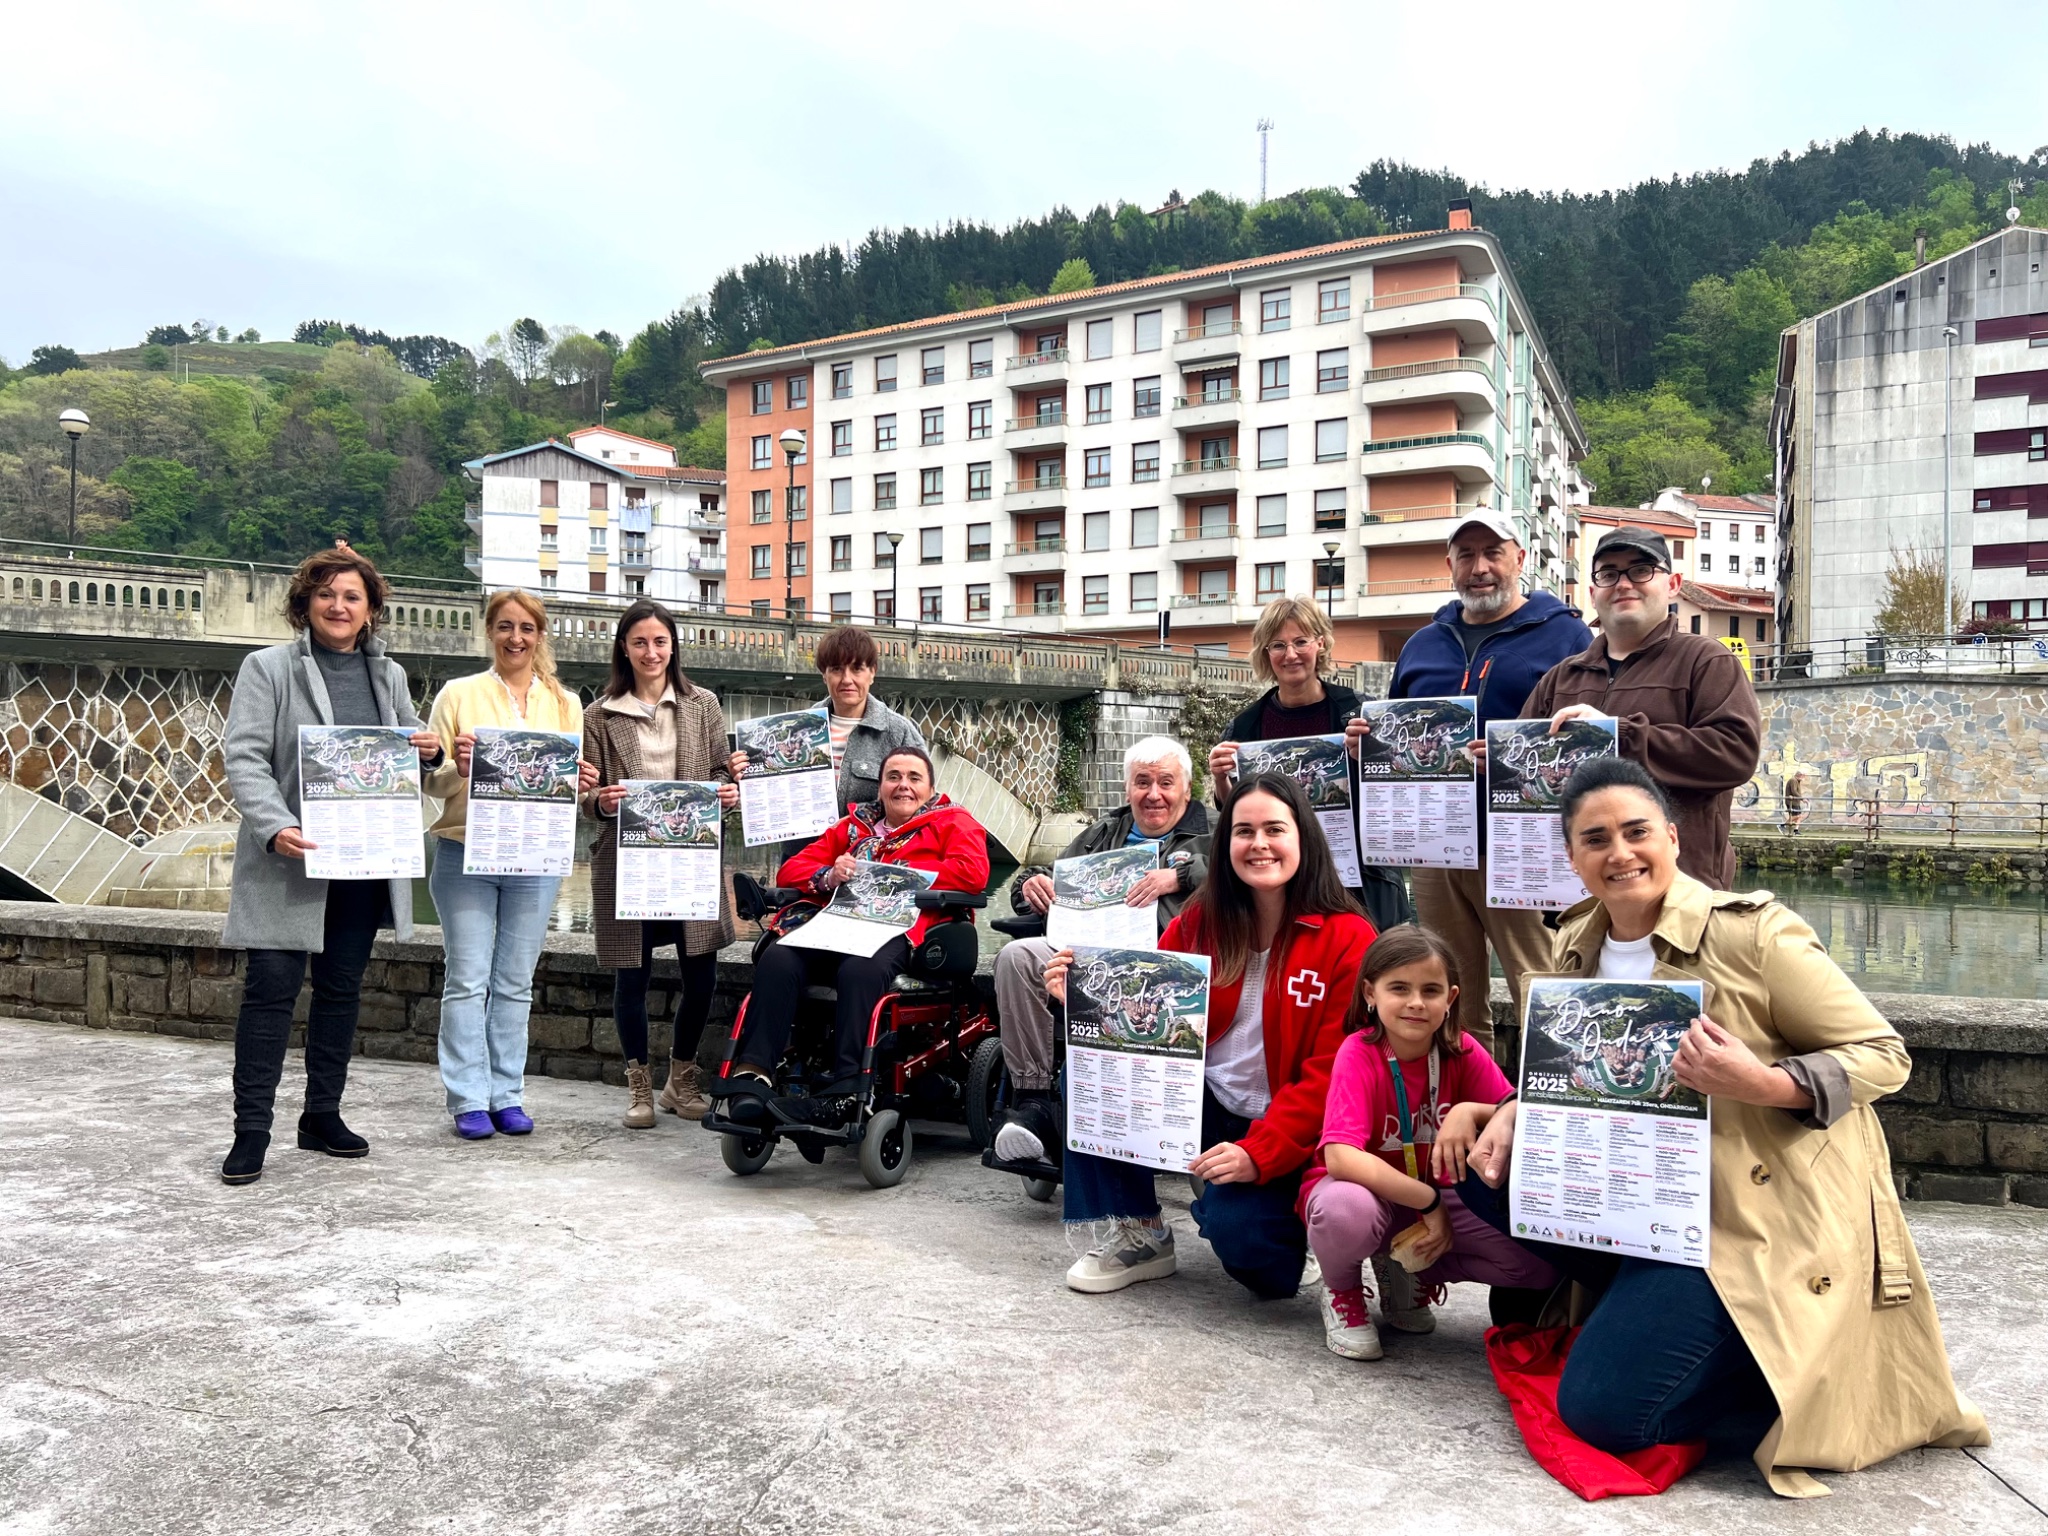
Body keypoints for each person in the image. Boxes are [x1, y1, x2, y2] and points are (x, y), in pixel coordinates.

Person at [1459, 757, 1988, 1497]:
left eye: (1637, 832)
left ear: (1673, 839)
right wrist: (1518, 1107)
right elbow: (1581, 1068)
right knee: (1480, 1170)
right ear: (1571, 858)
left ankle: (1773, 1375)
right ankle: (1651, 1309)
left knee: (1603, 1411)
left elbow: (1884, 1054)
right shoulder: (1574, 938)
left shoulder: (1755, 935)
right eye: (1595, 840)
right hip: (1639, 1197)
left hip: (1739, 1218)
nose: (1620, 853)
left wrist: (1763, 1083)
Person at [1044, 774, 1375, 1299]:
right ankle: (1140, 1229)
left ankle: (1294, 1215)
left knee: (1262, 1268)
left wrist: (1260, 1152)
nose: (1259, 844)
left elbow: (1332, 1078)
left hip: (1290, 1124)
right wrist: (1085, 997)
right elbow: (1146, 1012)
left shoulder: (1349, 937)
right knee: (1093, 1069)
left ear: (1303, 838)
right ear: (1226, 845)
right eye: (1244, 831)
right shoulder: (1201, 918)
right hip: (1205, 1102)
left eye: (1274, 829)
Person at [217, 547, 445, 1186]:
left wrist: (429, 751)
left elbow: (412, 751)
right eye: (326, 594)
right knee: (270, 990)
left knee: (341, 991)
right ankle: (251, 1130)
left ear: (370, 610)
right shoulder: (267, 668)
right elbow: (244, 756)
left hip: (362, 863)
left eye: (352, 596)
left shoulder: (389, 676)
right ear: (305, 602)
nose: (338, 606)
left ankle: (322, 1115)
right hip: (289, 861)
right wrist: (275, 826)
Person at [1353, 512, 1591, 1049]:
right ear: (1450, 565)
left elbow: (1585, 737)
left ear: (1519, 559)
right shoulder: (1421, 643)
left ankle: (1545, 1095)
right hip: (1435, 846)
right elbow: (1396, 736)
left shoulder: (1567, 634)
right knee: (1449, 994)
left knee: (1542, 987)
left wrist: (1508, 759)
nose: (1480, 567)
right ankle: (1466, 1094)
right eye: (1466, 555)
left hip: (1522, 845)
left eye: (1492, 553)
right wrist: (1368, 744)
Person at [1301, 925, 1558, 1362]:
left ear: (1451, 998)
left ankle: (1412, 1269)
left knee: (1539, 1262)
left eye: (1431, 990)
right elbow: (1340, 1158)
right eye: (1399, 988)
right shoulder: (1359, 1052)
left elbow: (1520, 1107)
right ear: (1370, 993)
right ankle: (1343, 1291)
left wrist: (1472, 1111)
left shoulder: (1462, 1050)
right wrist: (1429, 1202)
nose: (1416, 1002)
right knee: (1344, 1211)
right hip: (1375, 1195)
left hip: (1440, 1197)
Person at [723, 745, 989, 1129]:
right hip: (837, 924)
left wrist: (892, 872)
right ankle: (754, 1073)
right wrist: (829, 874)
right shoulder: (853, 827)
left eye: (914, 778)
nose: (903, 785)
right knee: (779, 956)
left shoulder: (954, 822)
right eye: (893, 777)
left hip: (900, 927)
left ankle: (847, 1089)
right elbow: (792, 870)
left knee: (860, 968)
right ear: (880, 787)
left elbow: (972, 874)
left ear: (931, 789)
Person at [424, 590, 598, 1140]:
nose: (515, 638)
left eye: (526, 628)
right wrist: (456, 767)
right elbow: (431, 783)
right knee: (467, 979)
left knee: (516, 982)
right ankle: (467, 1098)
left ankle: (507, 1094)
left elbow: (563, 790)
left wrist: (580, 783)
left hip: (534, 855)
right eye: (504, 627)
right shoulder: (458, 694)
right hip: (465, 849)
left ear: (540, 635)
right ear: (490, 632)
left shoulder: (566, 703)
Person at [990, 736, 1211, 1163]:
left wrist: (1182, 877)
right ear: (1127, 789)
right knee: (1017, 958)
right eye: (1142, 782)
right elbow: (1047, 876)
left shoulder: (1214, 832)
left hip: (1168, 960)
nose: (1153, 794)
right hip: (1089, 955)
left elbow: (1247, 874)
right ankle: (1034, 1103)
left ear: (1187, 789)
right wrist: (1031, 884)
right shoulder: (1102, 833)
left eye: (1166, 783)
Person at [1524, 526, 1762, 890]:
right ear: (1593, 592)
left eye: (1641, 570)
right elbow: (1525, 766)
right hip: (1574, 893)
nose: (1623, 584)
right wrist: (1493, 762)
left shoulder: (1707, 660)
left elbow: (1736, 754)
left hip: (1679, 893)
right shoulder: (1561, 677)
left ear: (1673, 584)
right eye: (1608, 574)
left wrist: (1618, 736)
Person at [583, 599, 746, 1130]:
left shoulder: (703, 704)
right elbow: (584, 795)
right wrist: (601, 802)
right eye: (640, 642)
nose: (650, 652)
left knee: (701, 974)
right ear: (624, 648)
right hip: (627, 861)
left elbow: (721, 772)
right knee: (631, 976)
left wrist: (728, 790)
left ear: (673, 646)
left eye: (659, 641)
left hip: (690, 857)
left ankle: (681, 1077)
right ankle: (639, 1083)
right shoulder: (598, 714)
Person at [1207, 596, 1412, 933]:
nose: (1290, 654)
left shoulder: (1360, 712)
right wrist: (1220, 780)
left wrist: (1372, 758)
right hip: (1279, 884)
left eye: (1300, 641)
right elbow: (1236, 816)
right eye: (1278, 645)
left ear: (1321, 643)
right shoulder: (1244, 726)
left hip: (1359, 883)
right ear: (1265, 653)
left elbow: (1399, 797)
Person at [811, 624, 926, 813]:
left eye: (857, 669)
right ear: (824, 675)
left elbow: (922, 806)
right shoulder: (800, 729)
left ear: (872, 672)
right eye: (837, 669)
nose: (847, 679)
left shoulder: (899, 734)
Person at [1782, 769, 1811, 834]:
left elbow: (1796, 792)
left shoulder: (1797, 781)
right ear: (1799, 775)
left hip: (1796, 802)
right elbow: (1794, 791)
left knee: (1799, 816)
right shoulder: (1793, 780)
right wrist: (1802, 799)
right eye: (1803, 776)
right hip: (1792, 802)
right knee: (1797, 816)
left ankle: (1796, 830)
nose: (1804, 777)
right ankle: (1783, 825)